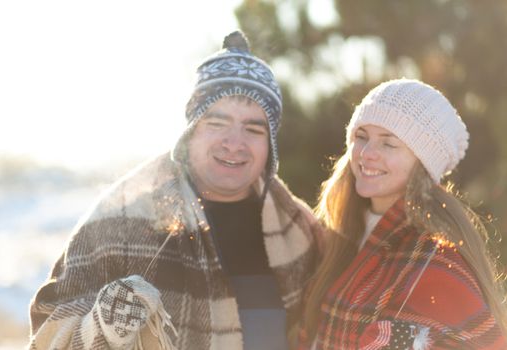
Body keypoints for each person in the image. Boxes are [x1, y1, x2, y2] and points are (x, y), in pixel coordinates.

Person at [28, 31, 321, 350]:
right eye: (217, 124)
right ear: (190, 131)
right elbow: (46, 334)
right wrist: (102, 326)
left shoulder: (299, 228)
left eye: (253, 129)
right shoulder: (121, 220)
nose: (235, 143)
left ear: (270, 146)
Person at [299, 78, 507, 349]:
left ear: (422, 164)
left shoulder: (433, 256)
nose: (367, 153)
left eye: (388, 143)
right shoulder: (336, 234)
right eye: (361, 137)